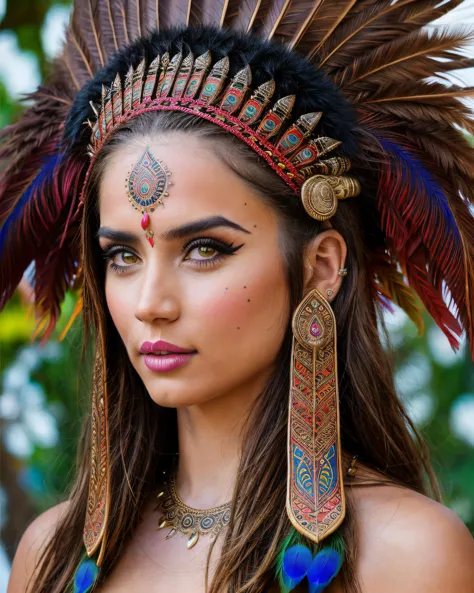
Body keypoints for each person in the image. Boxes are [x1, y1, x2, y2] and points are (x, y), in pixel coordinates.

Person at [2, 1, 474, 592]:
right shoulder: (50, 556)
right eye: (122, 256)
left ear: (321, 266)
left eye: (205, 249)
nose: (151, 302)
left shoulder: (409, 557)